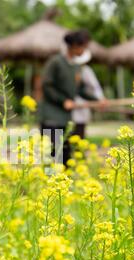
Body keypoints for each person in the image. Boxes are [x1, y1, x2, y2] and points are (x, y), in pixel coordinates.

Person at [39, 29, 101, 165]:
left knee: (66, 155)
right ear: (74, 46)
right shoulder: (55, 62)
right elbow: (46, 86)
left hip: (66, 119)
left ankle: (63, 184)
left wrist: (98, 101)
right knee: (53, 154)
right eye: (83, 47)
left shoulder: (76, 67)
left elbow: (79, 89)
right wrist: (63, 101)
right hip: (52, 117)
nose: (84, 50)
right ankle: (49, 183)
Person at [72, 50, 106, 139]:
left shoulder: (86, 70)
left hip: (80, 108)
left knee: (78, 135)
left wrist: (99, 99)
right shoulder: (66, 70)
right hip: (64, 111)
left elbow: (94, 87)